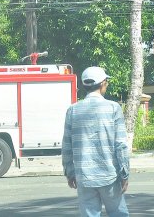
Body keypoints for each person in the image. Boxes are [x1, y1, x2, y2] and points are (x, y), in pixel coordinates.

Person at [62, 66, 130, 217]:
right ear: (103, 83)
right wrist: (125, 174)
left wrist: (70, 173)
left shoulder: (73, 110)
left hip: (84, 177)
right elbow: (121, 145)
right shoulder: (113, 108)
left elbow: (67, 146)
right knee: (118, 213)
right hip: (110, 176)